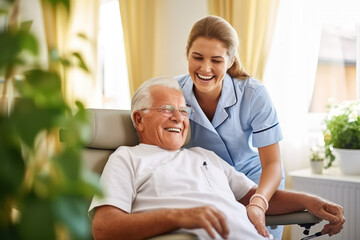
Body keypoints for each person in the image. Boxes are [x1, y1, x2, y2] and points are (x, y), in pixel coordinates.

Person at [89, 77, 345, 240]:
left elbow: (258, 198)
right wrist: (178, 217)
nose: (179, 118)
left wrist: (310, 202)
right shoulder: (126, 159)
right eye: (167, 110)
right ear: (138, 119)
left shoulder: (204, 156)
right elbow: (105, 228)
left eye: (183, 110)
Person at [175, 16, 284, 238]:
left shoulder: (254, 94)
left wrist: (259, 202)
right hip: (206, 186)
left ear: (231, 60)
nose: (206, 68)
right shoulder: (172, 92)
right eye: (198, 57)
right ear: (187, 52)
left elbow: (273, 163)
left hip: (256, 183)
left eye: (216, 60)